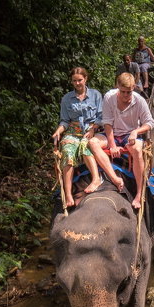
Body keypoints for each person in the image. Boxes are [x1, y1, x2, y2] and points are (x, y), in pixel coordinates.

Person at [91, 72, 154, 210]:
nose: (126, 95)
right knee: (92, 143)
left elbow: (149, 122)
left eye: (129, 92)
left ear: (134, 89)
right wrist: (112, 144)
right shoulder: (109, 97)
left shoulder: (139, 100)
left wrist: (136, 131)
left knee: (137, 149)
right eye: (123, 92)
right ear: (117, 87)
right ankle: (114, 178)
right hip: (112, 133)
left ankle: (139, 193)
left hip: (129, 134)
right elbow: (107, 123)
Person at [50, 67, 110, 208]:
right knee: (67, 151)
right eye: (74, 81)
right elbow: (64, 121)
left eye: (80, 80)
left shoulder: (95, 95)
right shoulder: (66, 99)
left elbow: (101, 116)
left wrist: (93, 128)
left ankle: (96, 179)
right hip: (73, 131)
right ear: (71, 82)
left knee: (86, 145)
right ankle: (68, 193)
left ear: (86, 79)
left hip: (91, 130)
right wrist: (58, 131)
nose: (77, 83)